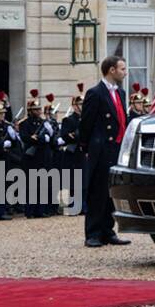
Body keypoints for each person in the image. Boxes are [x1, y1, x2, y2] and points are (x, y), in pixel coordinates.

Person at [80, 55, 133, 248]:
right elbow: (86, 123)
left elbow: (122, 120)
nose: (125, 72)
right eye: (122, 69)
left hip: (117, 148)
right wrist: (86, 148)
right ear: (111, 70)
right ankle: (93, 233)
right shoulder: (95, 93)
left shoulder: (121, 93)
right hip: (101, 149)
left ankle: (108, 231)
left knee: (111, 193)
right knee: (98, 192)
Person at [20, 92, 55, 217]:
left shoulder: (44, 123)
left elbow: (52, 139)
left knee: (43, 184)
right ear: (30, 111)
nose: (39, 111)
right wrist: (41, 138)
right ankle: (29, 211)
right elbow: (25, 138)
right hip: (31, 158)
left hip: (43, 157)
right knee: (31, 185)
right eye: (35, 109)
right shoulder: (24, 123)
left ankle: (41, 210)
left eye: (39, 109)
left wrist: (49, 135)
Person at [60, 84, 85, 213]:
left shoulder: (87, 119)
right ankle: (74, 206)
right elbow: (65, 136)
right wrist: (76, 135)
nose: (82, 107)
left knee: (84, 180)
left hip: (83, 153)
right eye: (80, 104)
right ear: (74, 106)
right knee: (74, 182)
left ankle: (84, 207)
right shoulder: (68, 120)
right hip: (73, 153)